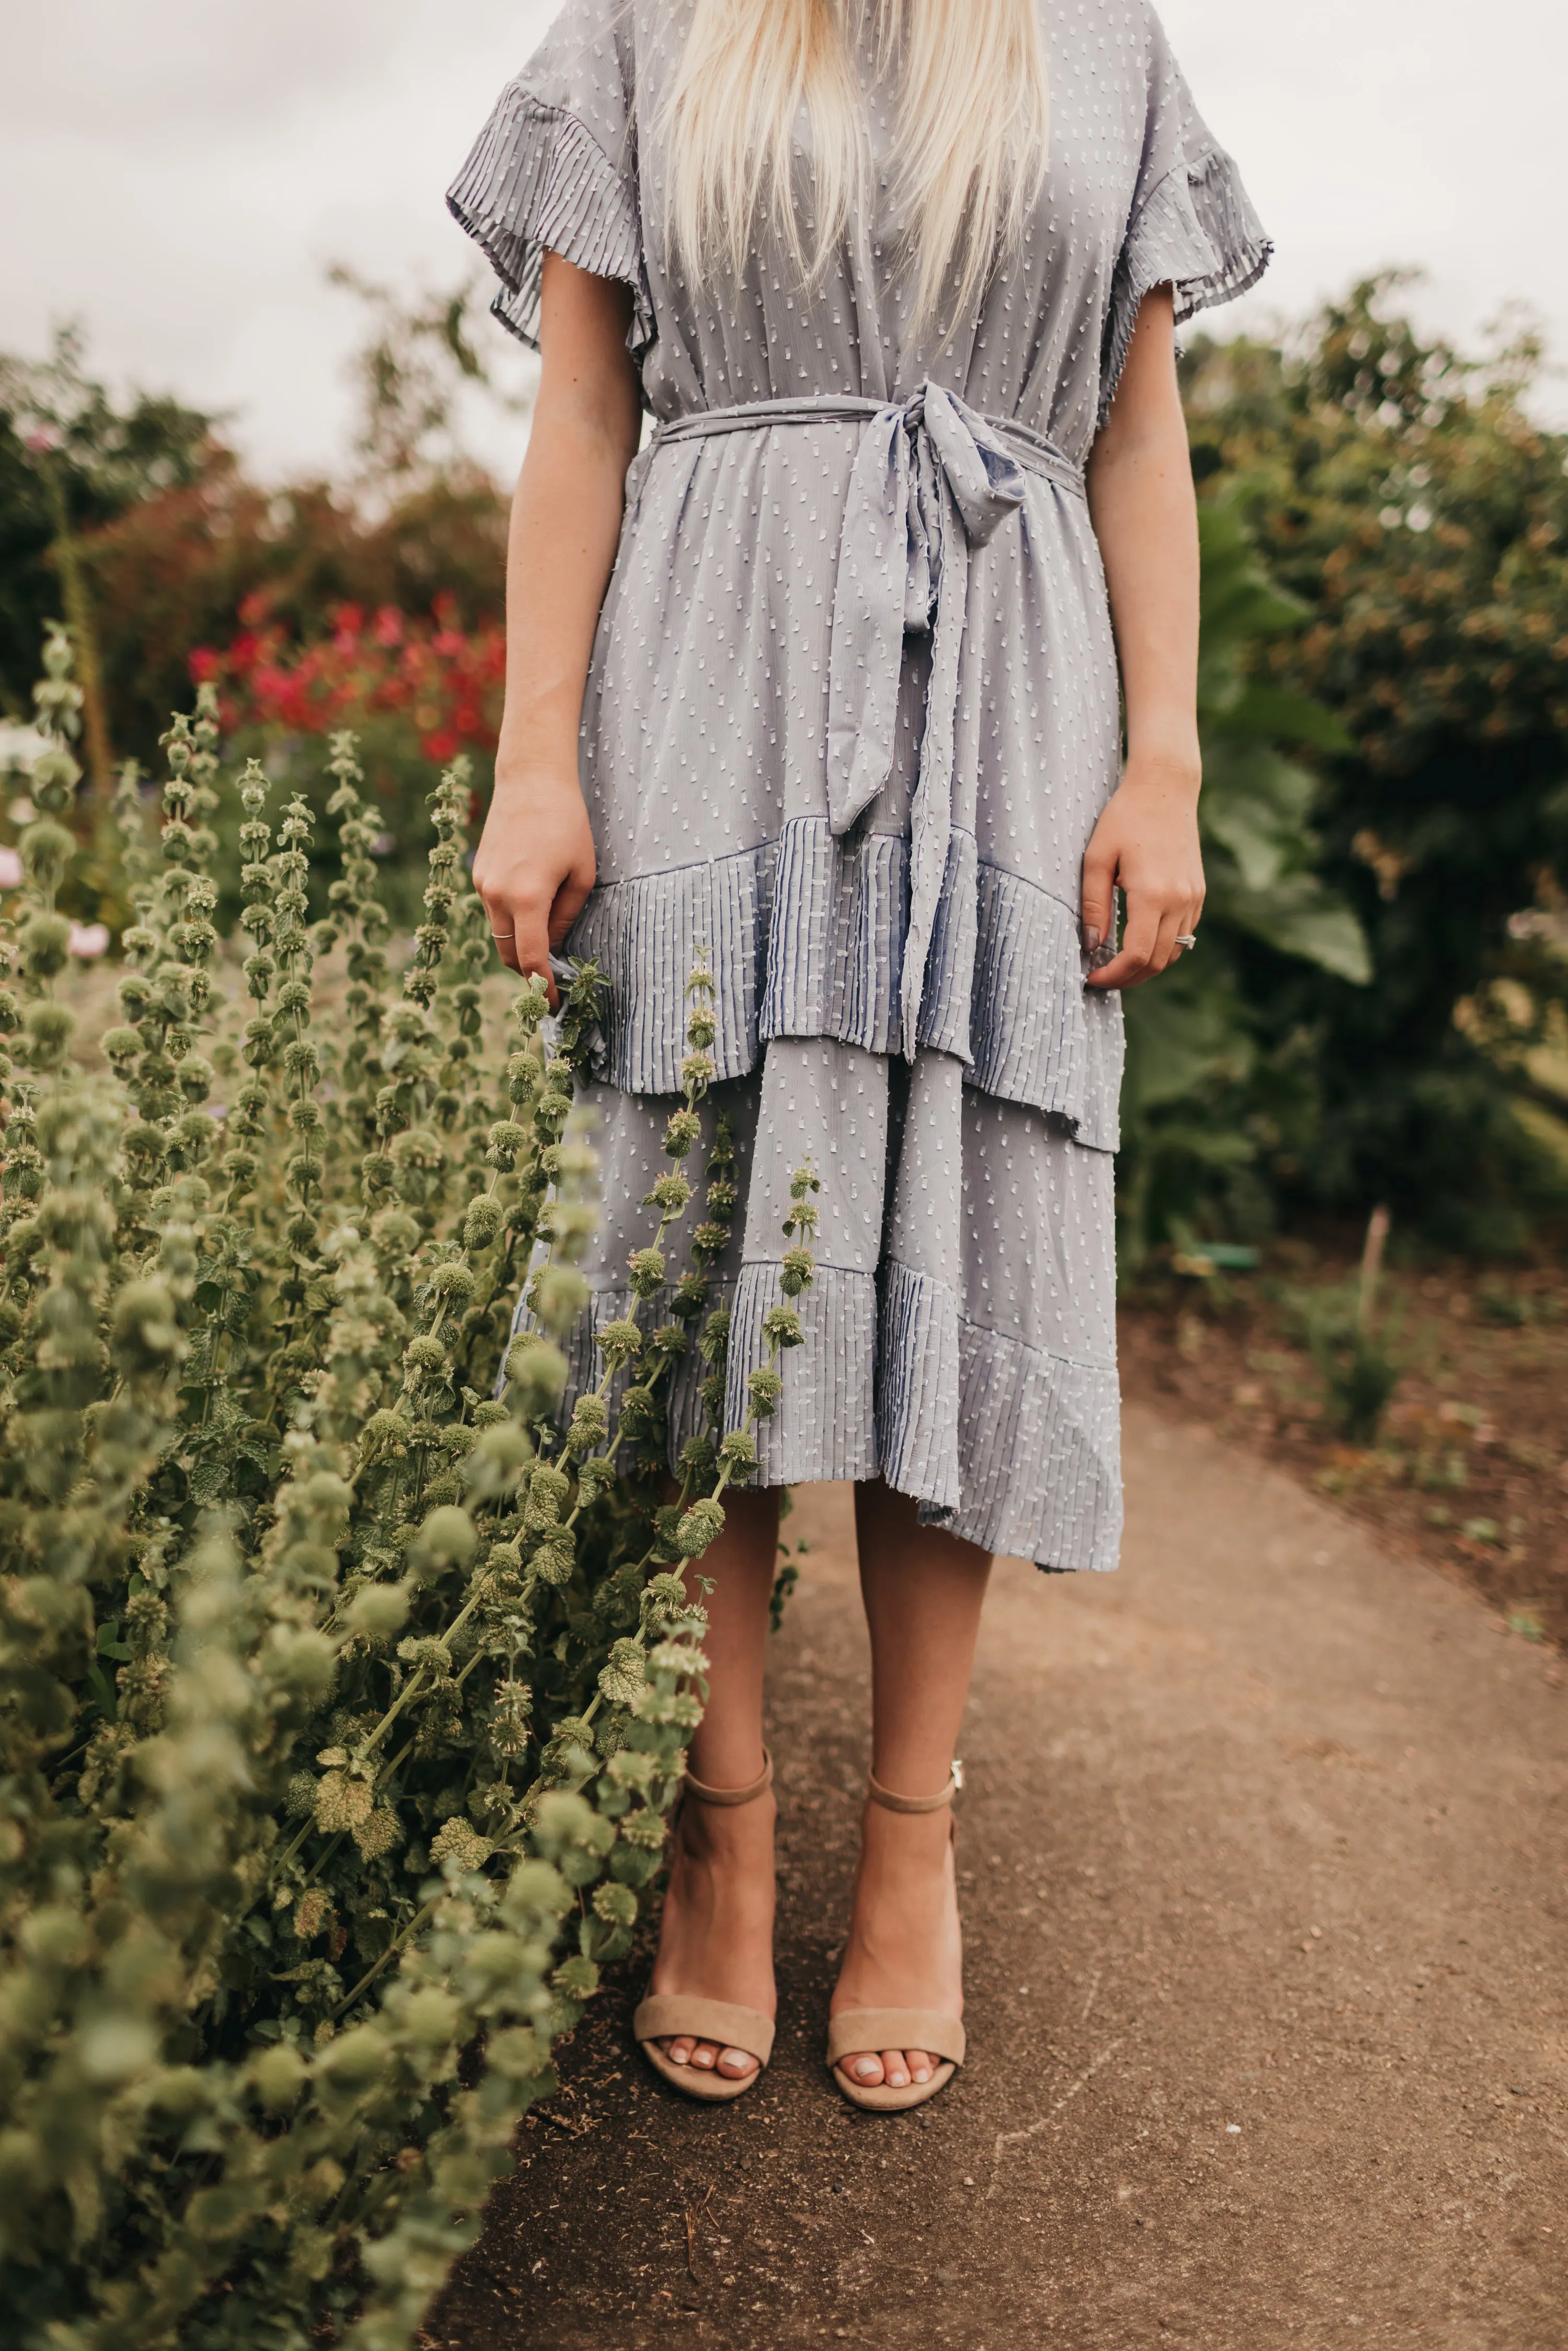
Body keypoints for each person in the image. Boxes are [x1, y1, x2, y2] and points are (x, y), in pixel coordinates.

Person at [449, 0, 1268, 2110]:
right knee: (710, 1242)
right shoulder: (648, 25)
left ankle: (915, 1836)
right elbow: (577, 417)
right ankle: (720, 1826)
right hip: (712, 677)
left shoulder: (1103, 41)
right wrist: (537, 762)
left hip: (1010, 699)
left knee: (959, 1233)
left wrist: (1164, 759)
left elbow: (1135, 430)